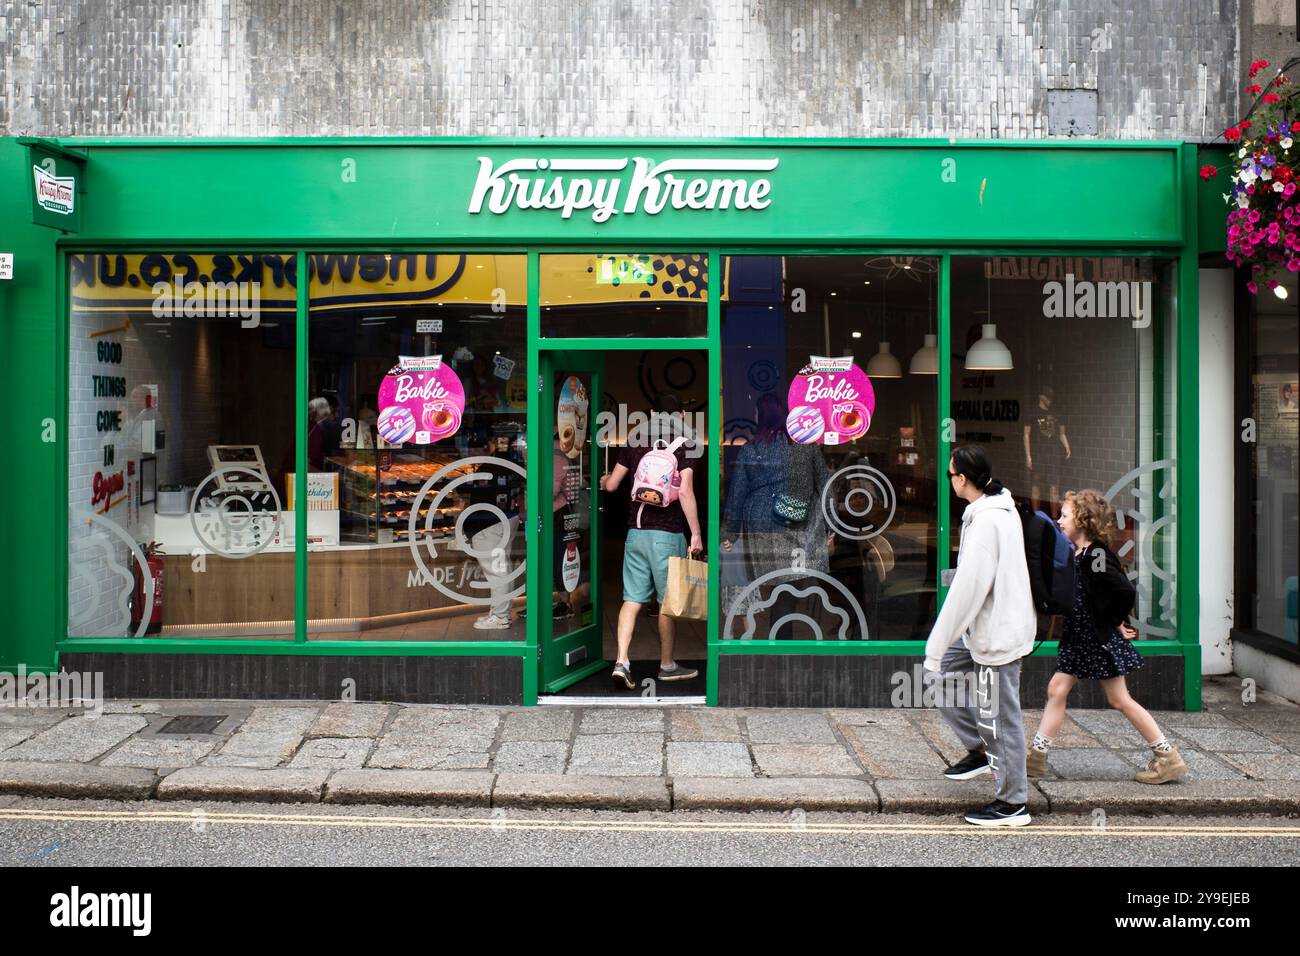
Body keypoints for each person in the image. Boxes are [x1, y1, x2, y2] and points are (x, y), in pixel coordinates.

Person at [1027, 489, 1188, 784]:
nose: (1059, 521)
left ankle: (1168, 757)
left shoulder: (1096, 555)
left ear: (1083, 520)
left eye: (1065, 516)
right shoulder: (1079, 553)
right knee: (1060, 690)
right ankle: (1036, 758)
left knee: (1117, 699)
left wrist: (1114, 621)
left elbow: (1122, 590)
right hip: (1082, 638)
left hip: (1095, 639)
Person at [925, 445, 1037, 827]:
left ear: (962, 479)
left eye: (949, 474)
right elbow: (981, 574)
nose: (948, 479)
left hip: (997, 631)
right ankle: (978, 749)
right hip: (981, 626)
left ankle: (1013, 803)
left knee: (1002, 718)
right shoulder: (986, 511)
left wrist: (936, 643)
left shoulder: (989, 519)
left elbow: (969, 592)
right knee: (938, 678)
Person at [599, 392, 703, 687]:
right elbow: (684, 492)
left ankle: (621, 661)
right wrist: (695, 533)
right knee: (667, 603)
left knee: (631, 599)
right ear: (682, 415)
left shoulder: (634, 440)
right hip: (667, 535)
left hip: (635, 533)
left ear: (653, 413)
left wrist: (604, 480)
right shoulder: (687, 443)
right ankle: (667, 665)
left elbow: (613, 486)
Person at [721, 393, 833, 638]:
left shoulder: (752, 448)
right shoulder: (805, 445)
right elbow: (825, 486)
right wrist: (832, 527)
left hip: (760, 524)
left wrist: (729, 531)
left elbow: (738, 492)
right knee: (787, 586)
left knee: (774, 585)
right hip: (795, 522)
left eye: (756, 412)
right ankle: (781, 641)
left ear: (762, 416)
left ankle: (779, 641)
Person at [1023, 385, 1071, 518]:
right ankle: (1035, 515)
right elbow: (1026, 434)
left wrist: (1066, 446)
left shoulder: (1057, 413)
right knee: (1036, 485)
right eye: (1047, 397)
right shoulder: (1032, 413)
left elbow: (1062, 433)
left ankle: (1055, 517)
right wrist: (1028, 456)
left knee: (1054, 486)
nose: (1049, 400)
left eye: (1051, 397)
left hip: (1053, 453)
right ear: (1041, 397)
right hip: (1038, 453)